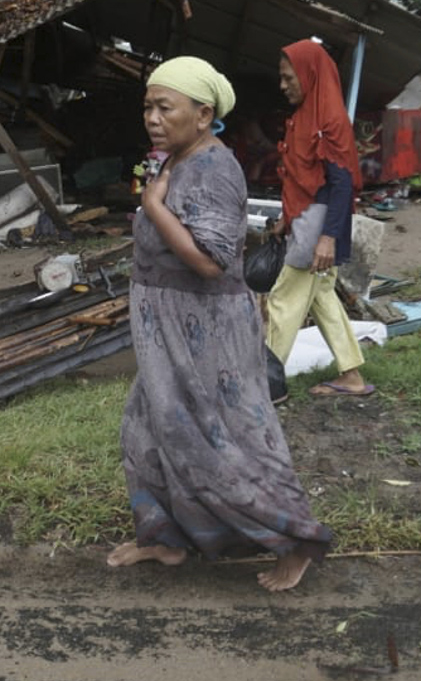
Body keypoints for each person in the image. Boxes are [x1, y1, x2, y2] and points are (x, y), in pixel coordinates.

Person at [108, 56, 332, 592]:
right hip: (169, 328)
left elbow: (211, 260)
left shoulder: (212, 169)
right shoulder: (177, 160)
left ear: (204, 114)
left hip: (204, 332)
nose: (153, 118)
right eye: (148, 106)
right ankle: (164, 537)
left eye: (166, 107)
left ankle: (295, 540)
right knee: (146, 431)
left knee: (227, 439)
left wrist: (152, 206)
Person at [266, 40, 373, 398]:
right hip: (306, 219)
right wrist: (286, 218)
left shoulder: (330, 119)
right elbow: (301, 179)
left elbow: (342, 185)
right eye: (281, 79)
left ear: (309, 74)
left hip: (318, 226)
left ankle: (265, 382)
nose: (283, 86)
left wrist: (327, 238)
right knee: (322, 297)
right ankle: (352, 376)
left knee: (283, 297)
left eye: (288, 77)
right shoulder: (304, 116)